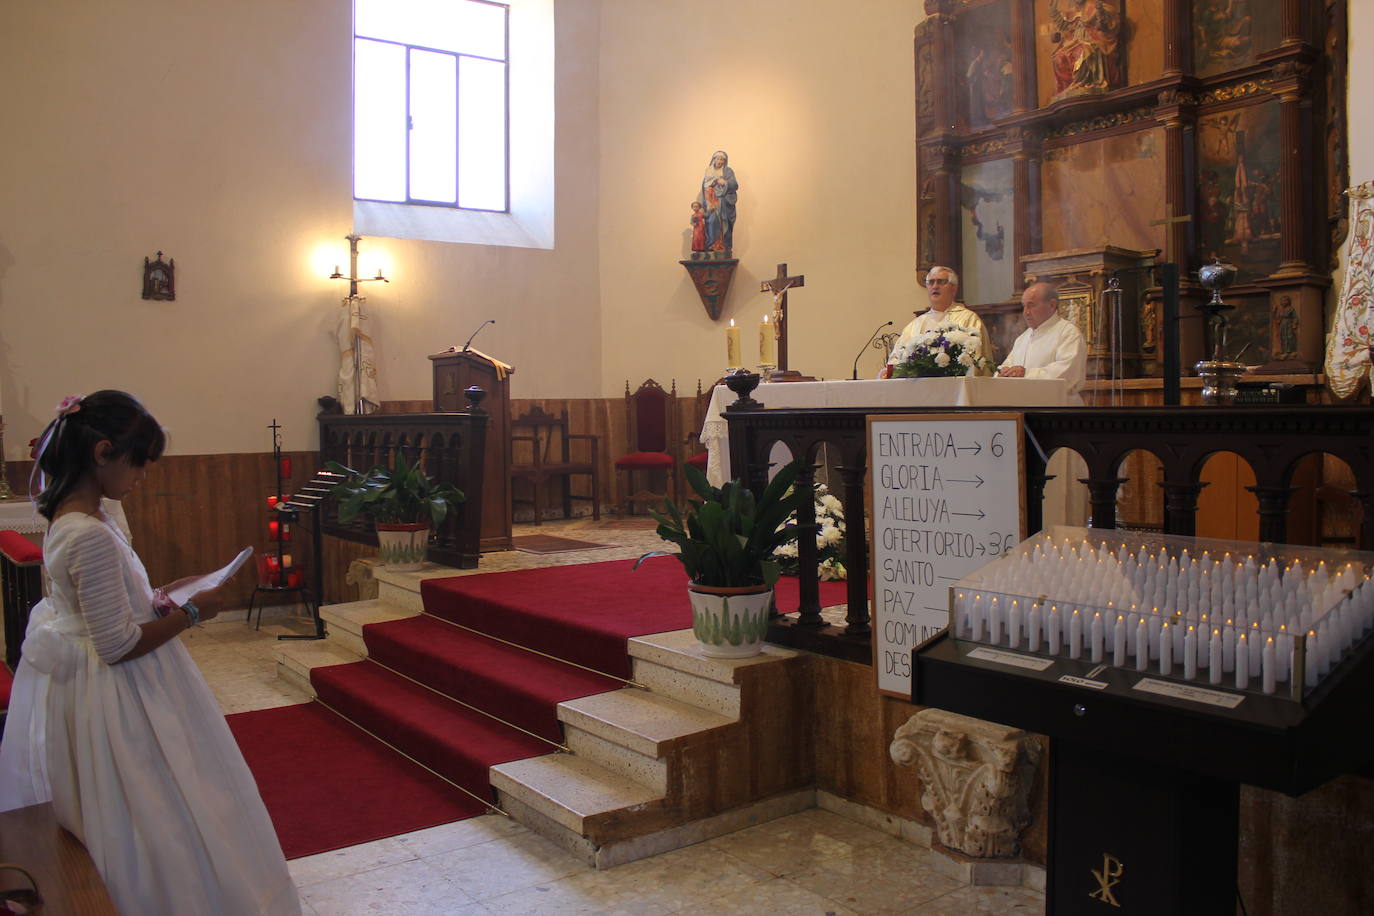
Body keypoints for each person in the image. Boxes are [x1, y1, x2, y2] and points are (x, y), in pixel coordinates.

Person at [0, 391, 300, 915]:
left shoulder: (76, 515)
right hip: (119, 693)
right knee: (157, 806)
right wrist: (195, 613)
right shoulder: (88, 532)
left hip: (94, 682)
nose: (141, 476)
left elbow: (105, 602)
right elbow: (117, 644)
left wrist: (163, 595)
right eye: (137, 463)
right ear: (103, 453)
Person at [880, 266, 991, 377]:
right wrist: (890, 371)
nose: (935, 286)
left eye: (941, 282)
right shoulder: (915, 324)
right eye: (931, 282)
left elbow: (976, 359)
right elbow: (897, 358)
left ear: (954, 288)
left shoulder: (969, 319)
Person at [997, 281, 1088, 402]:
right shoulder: (1023, 338)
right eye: (1024, 306)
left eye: (1031, 305)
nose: (1026, 313)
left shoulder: (1068, 333)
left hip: (1057, 410)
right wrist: (1003, 373)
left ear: (1051, 305)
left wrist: (1025, 374)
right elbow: (1007, 365)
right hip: (1022, 407)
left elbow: (1067, 374)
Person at [696, 150, 739, 255]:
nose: (720, 161)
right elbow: (705, 188)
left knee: (721, 223)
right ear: (713, 159)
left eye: (722, 160)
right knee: (711, 221)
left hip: (722, 204)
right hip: (710, 204)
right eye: (718, 159)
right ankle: (711, 245)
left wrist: (725, 182)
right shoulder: (708, 172)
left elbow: (735, 185)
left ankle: (722, 247)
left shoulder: (727, 171)